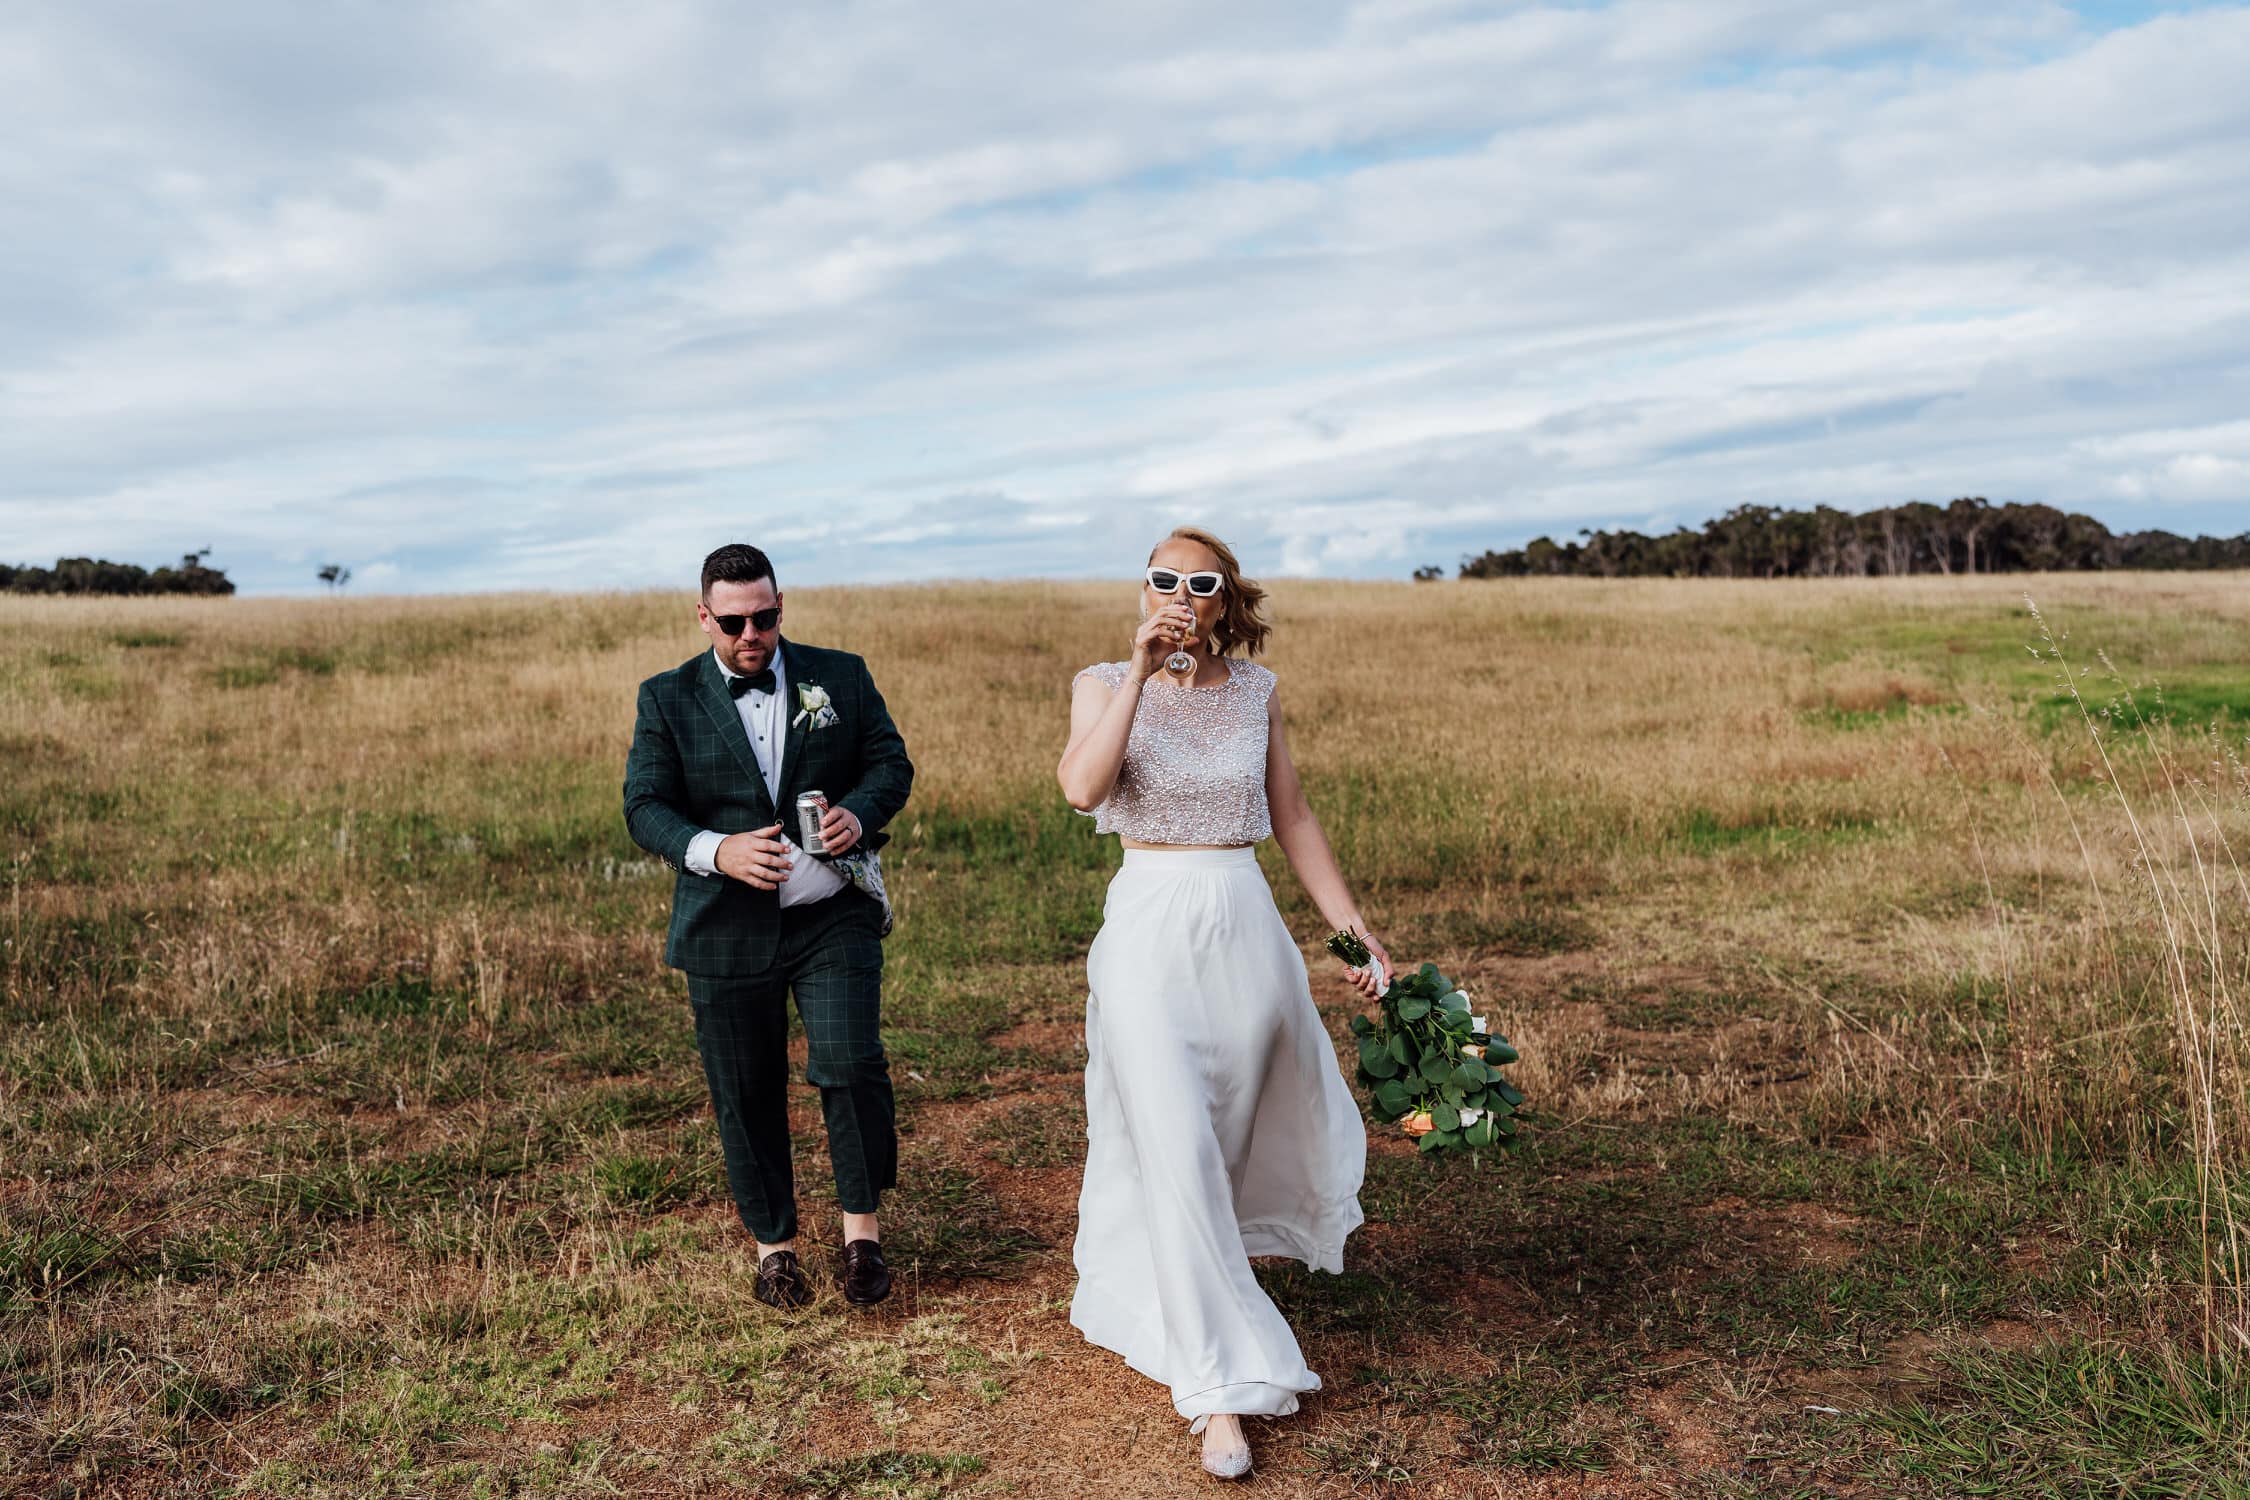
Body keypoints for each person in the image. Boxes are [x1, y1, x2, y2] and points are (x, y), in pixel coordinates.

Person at [1056, 526, 1387, 1481]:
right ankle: (1218, 1395)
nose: (1178, 594)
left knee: (1224, 1137)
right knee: (1175, 1137)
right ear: (1144, 587)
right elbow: (1083, 789)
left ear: (1223, 598)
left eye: (1198, 583)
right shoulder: (1100, 682)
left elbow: (1291, 816)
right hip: (1148, 923)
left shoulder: (1257, 693)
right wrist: (1137, 673)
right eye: (1162, 578)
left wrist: (1351, 927)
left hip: (1242, 924)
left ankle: (1183, 1284)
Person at [623, 543, 913, 1309]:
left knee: (850, 1064)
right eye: (734, 622)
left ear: (782, 606)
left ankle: (862, 1237)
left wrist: (861, 811)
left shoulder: (840, 674)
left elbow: (891, 763)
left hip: (831, 916)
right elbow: (643, 807)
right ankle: (775, 1248)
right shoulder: (666, 697)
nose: (753, 634)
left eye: (767, 617)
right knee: (745, 1091)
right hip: (724, 928)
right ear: (703, 616)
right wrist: (717, 850)